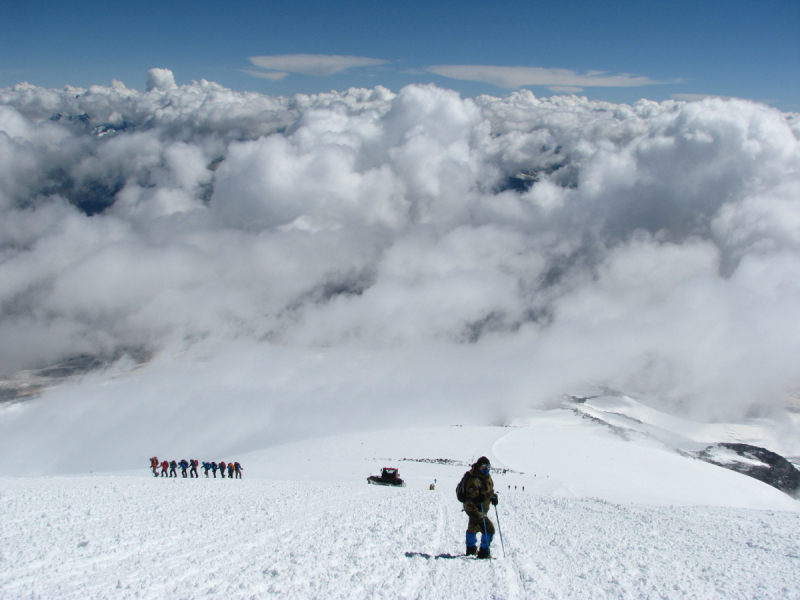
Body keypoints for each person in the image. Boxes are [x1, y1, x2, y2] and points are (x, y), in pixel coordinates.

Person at [462, 456, 497, 559]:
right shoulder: (474, 479)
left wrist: (493, 497)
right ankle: (484, 553)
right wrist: (477, 498)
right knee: (489, 528)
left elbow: (488, 491)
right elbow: (471, 497)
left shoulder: (486, 478)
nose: (486, 469)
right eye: (483, 467)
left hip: (480, 509)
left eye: (488, 466)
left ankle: (471, 549)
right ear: (478, 467)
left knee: (473, 527)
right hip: (474, 509)